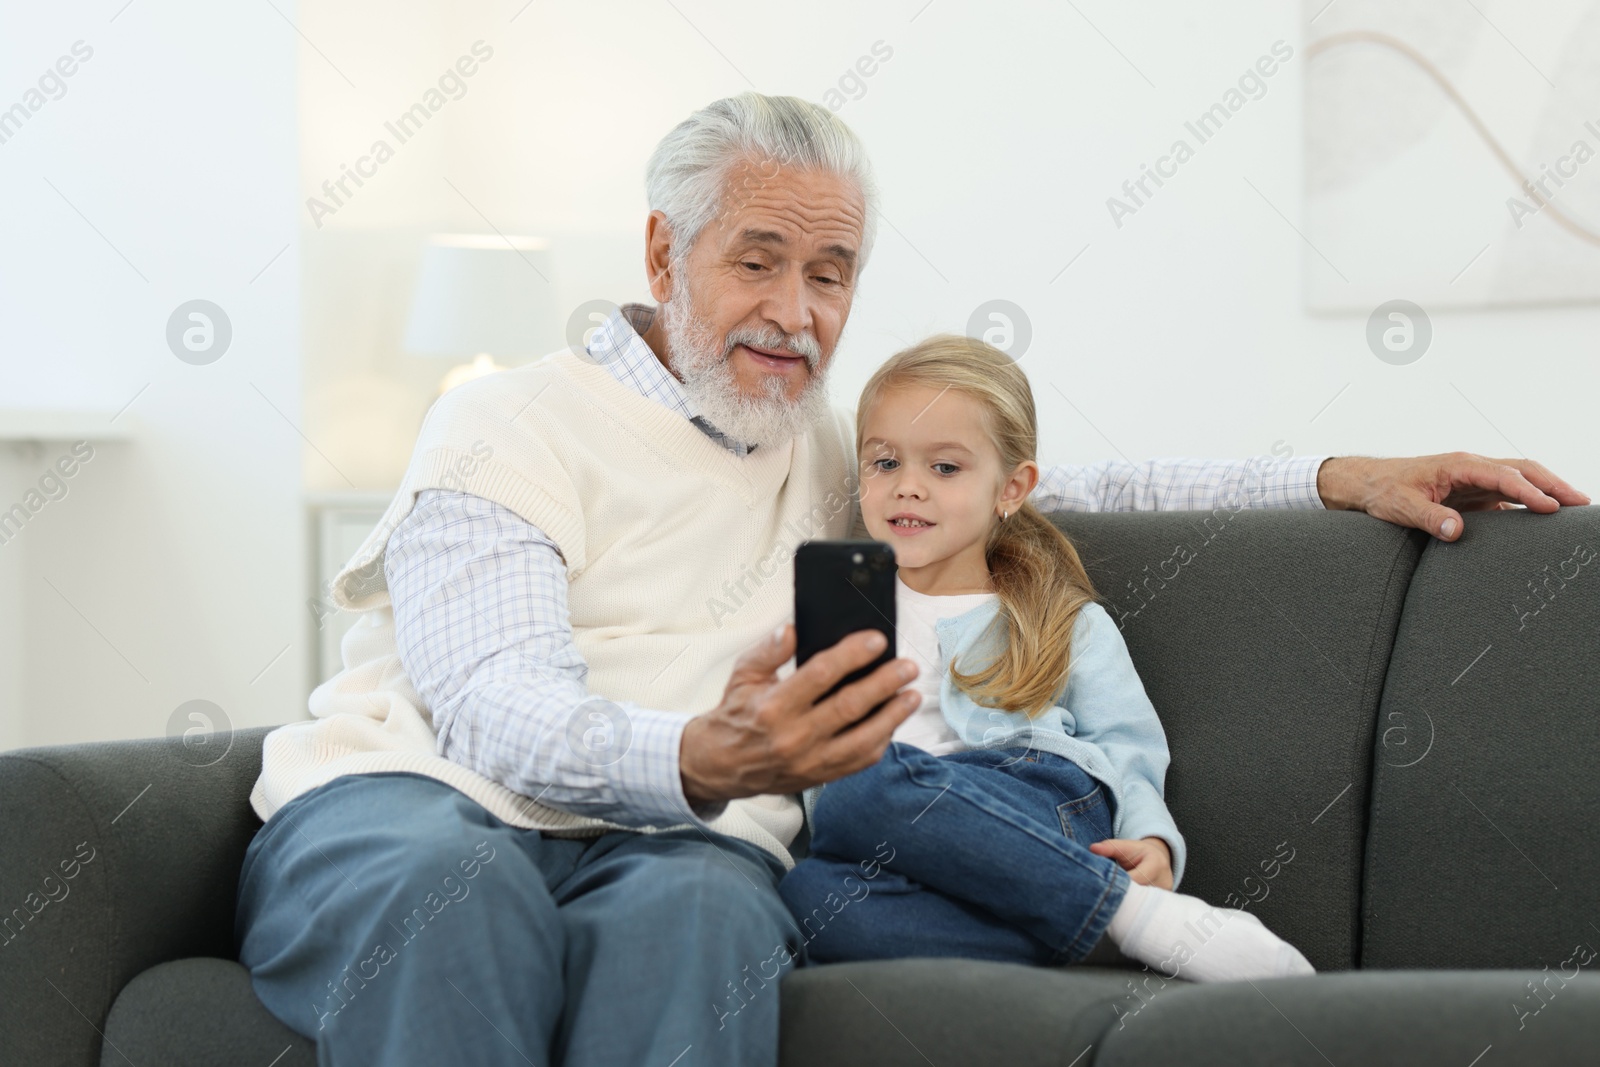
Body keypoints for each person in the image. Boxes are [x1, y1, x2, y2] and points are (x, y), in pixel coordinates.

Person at [235, 91, 1587, 1067]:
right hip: (415, 805)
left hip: (656, 844)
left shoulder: (820, 452)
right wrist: (708, 753)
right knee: (466, 893)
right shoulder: (507, 422)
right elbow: (491, 711)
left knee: (710, 902)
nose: (799, 309)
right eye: (756, 257)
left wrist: (1339, 475)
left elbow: (1052, 483)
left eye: (831, 273)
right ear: (662, 253)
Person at [778, 334, 1313, 981]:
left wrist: (1150, 837)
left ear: (1012, 487)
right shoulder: (836, 611)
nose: (907, 488)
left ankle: (1144, 914)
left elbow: (1128, 741)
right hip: (911, 850)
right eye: (884, 462)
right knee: (812, 900)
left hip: (1036, 797)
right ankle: (1109, 929)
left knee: (853, 786)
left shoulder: (1056, 614)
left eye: (944, 467)